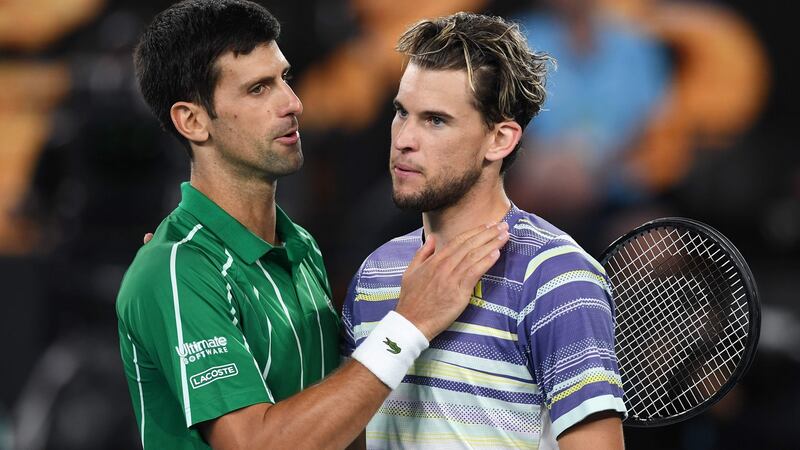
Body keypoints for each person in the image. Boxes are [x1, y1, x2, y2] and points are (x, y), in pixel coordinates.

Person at [115, 1, 509, 449]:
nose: (292, 103)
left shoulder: (301, 250)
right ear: (193, 120)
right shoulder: (174, 270)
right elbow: (256, 444)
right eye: (258, 89)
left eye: (284, 78)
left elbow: (337, 428)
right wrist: (410, 324)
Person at [342, 12, 627, 449]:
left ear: (500, 139)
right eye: (402, 113)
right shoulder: (374, 275)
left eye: (435, 120)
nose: (404, 139)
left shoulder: (557, 278)